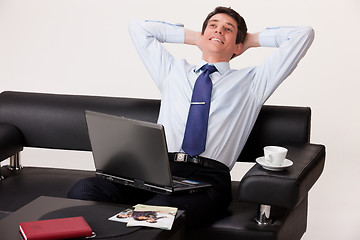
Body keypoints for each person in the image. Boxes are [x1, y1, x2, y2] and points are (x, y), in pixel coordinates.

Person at [68, 6, 314, 227]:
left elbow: (303, 34)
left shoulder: (253, 82)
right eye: (213, 26)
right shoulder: (173, 71)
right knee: (85, 190)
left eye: (228, 29)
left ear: (238, 46)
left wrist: (249, 40)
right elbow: (139, 28)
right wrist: (199, 37)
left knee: (156, 213)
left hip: (207, 180)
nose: (219, 30)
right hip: (157, 170)